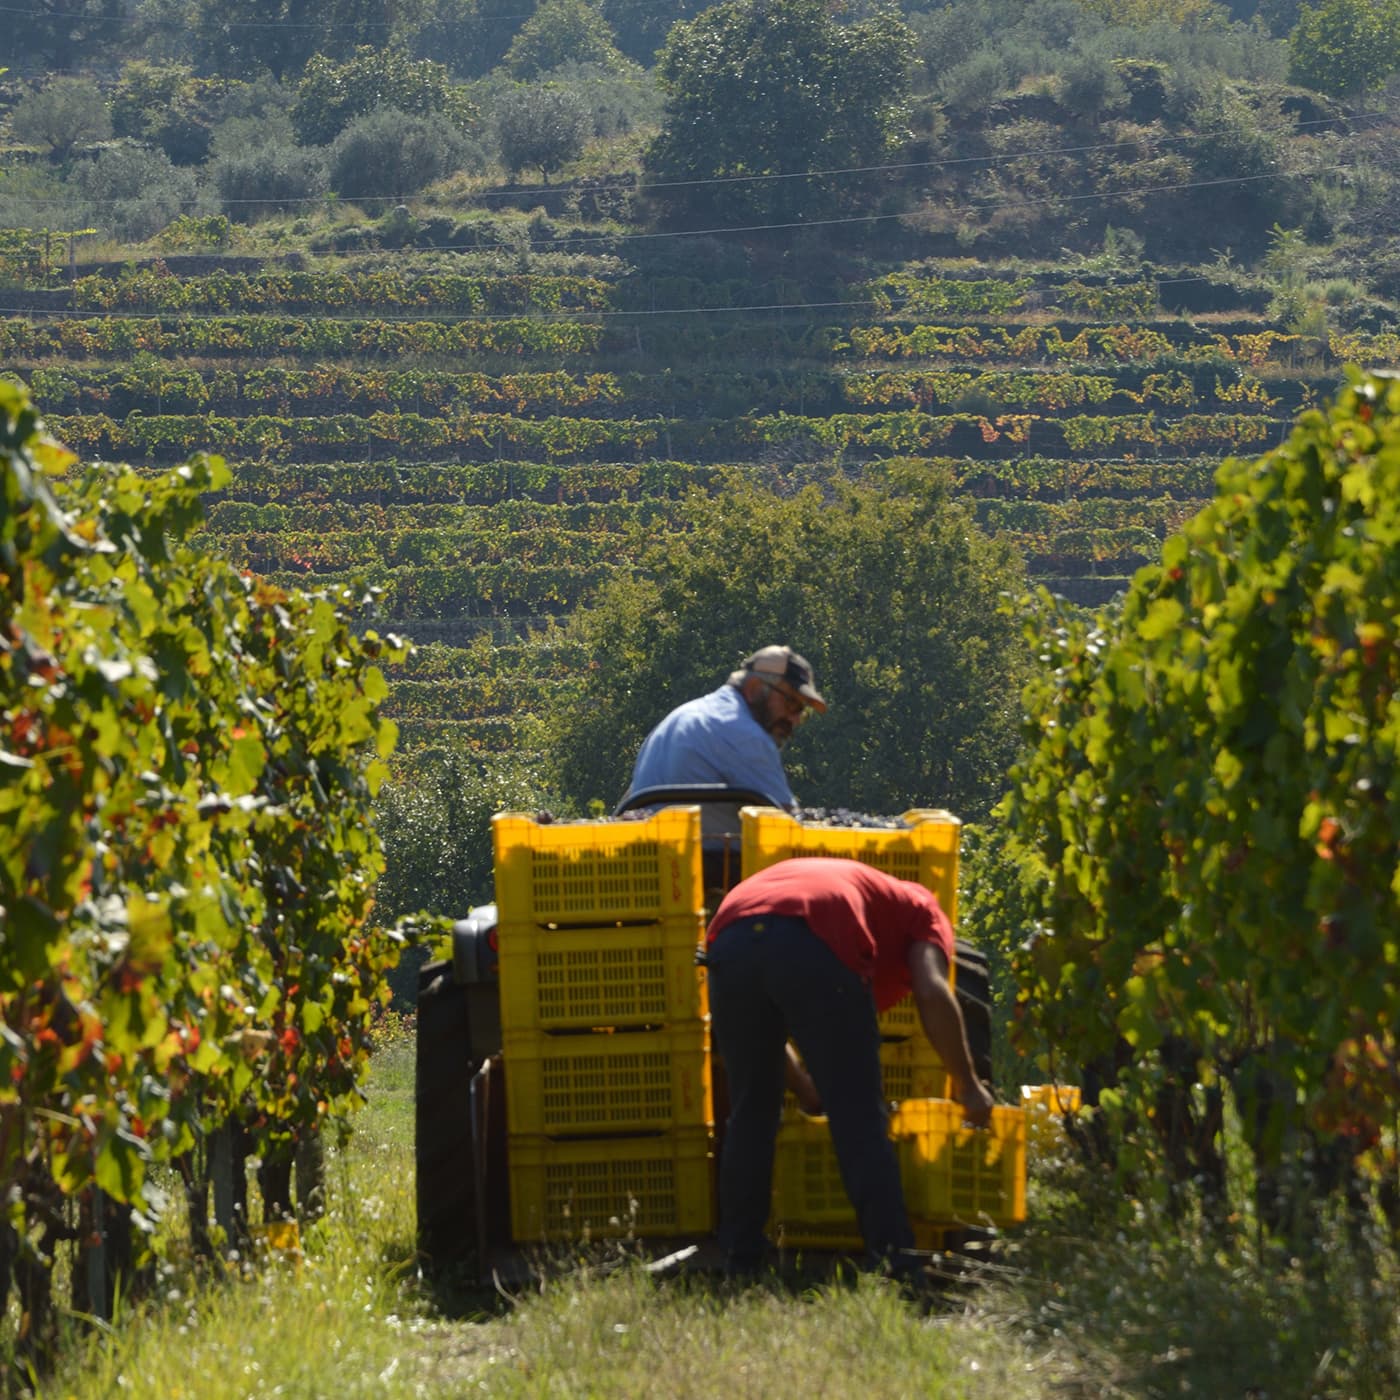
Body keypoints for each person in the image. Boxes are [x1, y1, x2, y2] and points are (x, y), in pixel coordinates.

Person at [704, 856, 996, 1278]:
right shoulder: (924, 908)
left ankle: (741, 1262)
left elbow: (771, 1032)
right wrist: (968, 1086)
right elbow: (933, 991)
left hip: (729, 937)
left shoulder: (869, 896)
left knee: (752, 1112)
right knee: (859, 1114)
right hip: (813, 931)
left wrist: (807, 1089)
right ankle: (895, 1262)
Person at [621, 644, 826, 859]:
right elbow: (788, 827)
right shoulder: (746, 734)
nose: (795, 719)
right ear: (755, 688)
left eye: (803, 711)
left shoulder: (677, 718)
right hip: (712, 876)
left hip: (649, 867)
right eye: (792, 704)